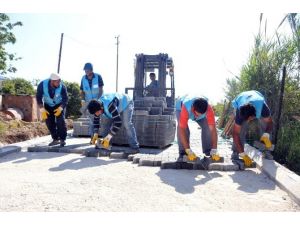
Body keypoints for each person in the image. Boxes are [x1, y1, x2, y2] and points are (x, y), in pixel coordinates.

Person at [231, 90, 273, 166]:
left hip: (256, 97)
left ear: (255, 114)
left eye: (250, 119)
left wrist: (266, 134)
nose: (249, 121)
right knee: (241, 129)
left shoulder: (263, 109)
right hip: (241, 99)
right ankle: (236, 152)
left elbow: (270, 123)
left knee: (265, 125)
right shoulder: (239, 113)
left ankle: (267, 151)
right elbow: (235, 134)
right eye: (247, 119)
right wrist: (243, 154)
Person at [175, 95, 219, 161]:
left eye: (202, 114)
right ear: (193, 108)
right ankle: (183, 152)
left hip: (197, 110)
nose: (199, 116)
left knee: (207, 127)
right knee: (184, 129)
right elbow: (182, 129)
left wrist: (214, 149)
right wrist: (188, 150)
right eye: (198, 114)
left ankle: (209, 151)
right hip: (180, 108)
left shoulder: (209, 109)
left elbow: (213, 129)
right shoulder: (186, 107)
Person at [36, 73, 68, 147]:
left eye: (59, 81)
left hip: (59, 105)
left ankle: (62, 139)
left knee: (61, 122)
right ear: (52, 81)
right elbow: (38, 96)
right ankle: (55, 139)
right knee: (49, 122)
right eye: (57, 82)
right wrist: (41, 108)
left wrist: (61, 108)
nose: (59, 83)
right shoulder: (42, 84)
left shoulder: (62, 86)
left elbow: (65, 99)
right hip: (47, 105)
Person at [80, 62, 104, 143]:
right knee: (91, 121)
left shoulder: (98, 77)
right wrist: (82, 100)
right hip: (89, 103)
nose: (86, 72)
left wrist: (99, 100)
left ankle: (100, 137)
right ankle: (92, 138)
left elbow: (101, 89)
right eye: (85, 70)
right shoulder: (83, 78)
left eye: (87, 70)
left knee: (98, 120)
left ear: (91, 70)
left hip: (97, 102)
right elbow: (82, 91)